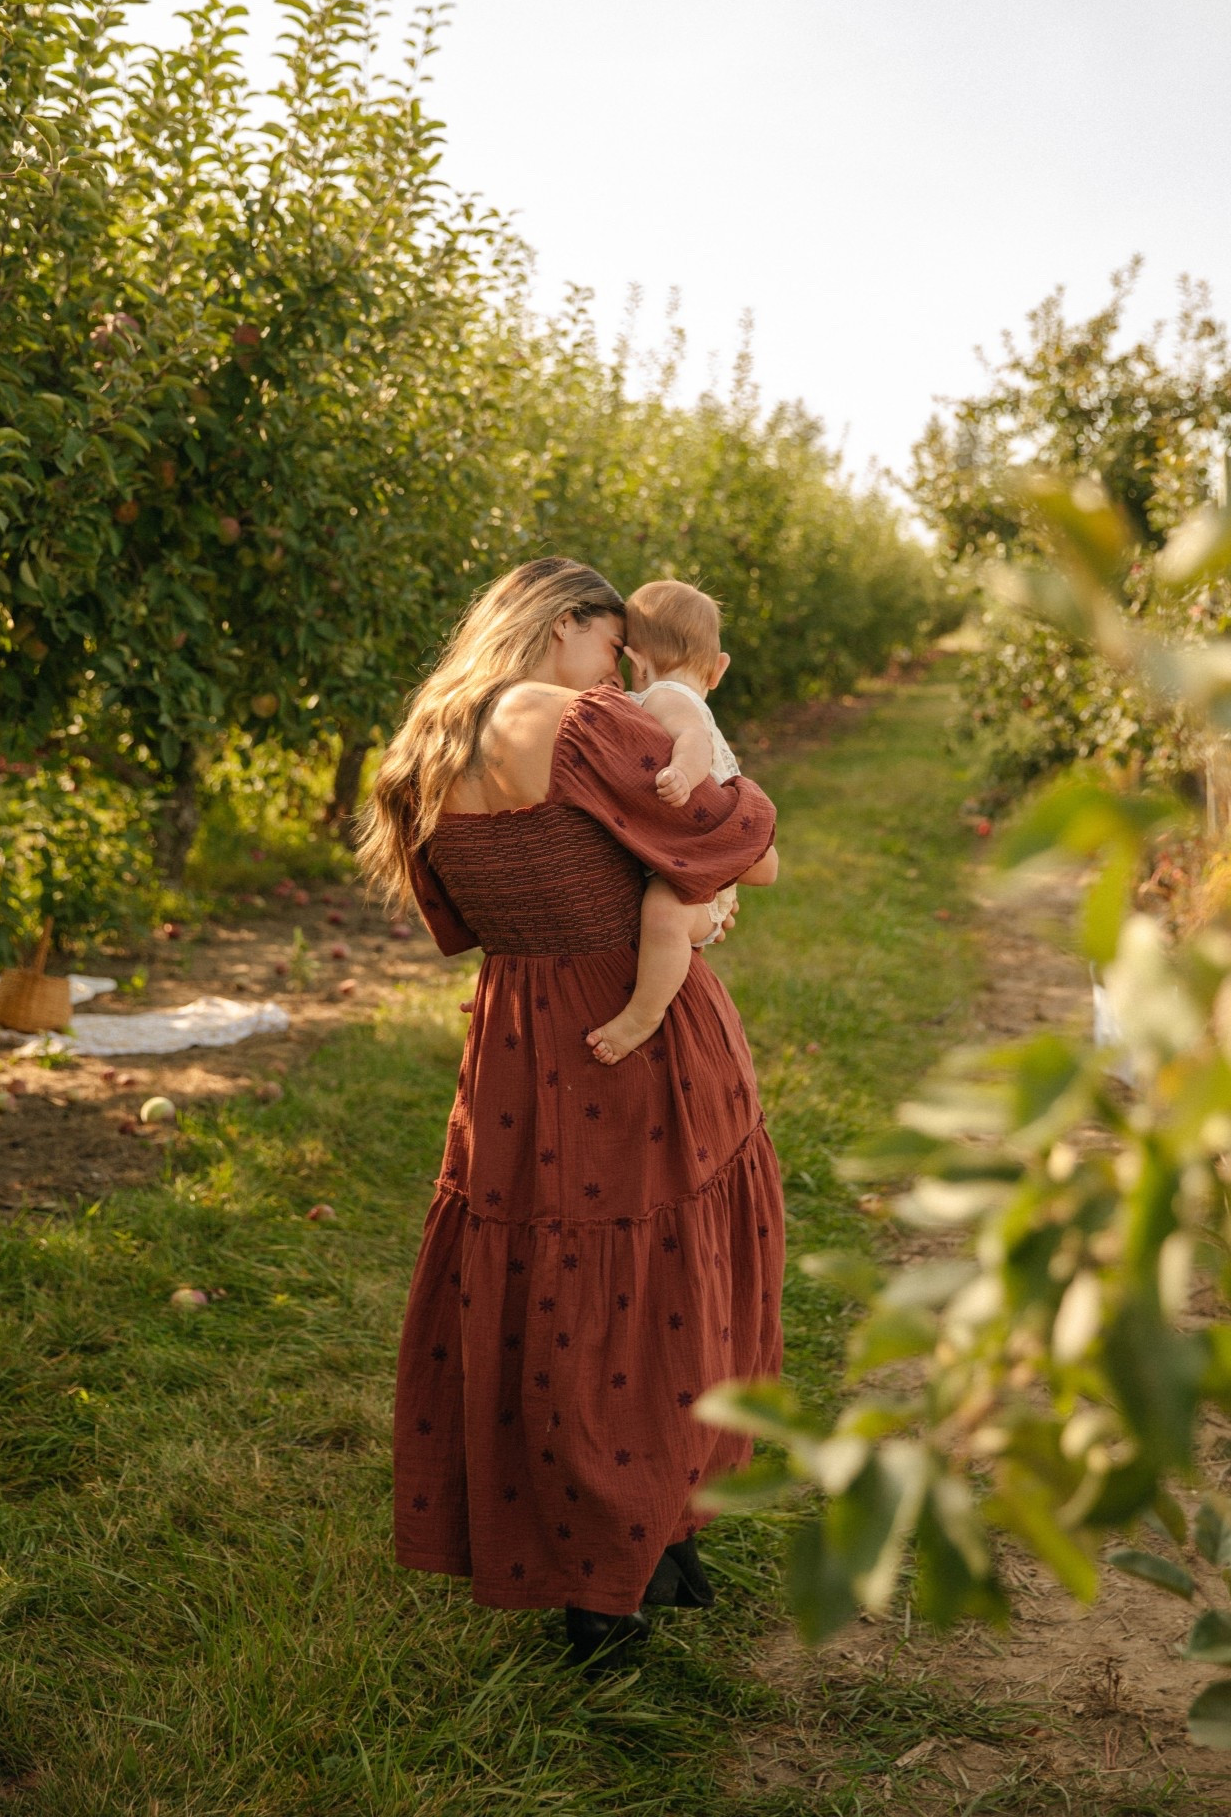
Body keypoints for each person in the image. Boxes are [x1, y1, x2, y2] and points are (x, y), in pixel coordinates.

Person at [357, 556, 784, 1671]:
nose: (624, 669)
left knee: (542, 1294)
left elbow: (458, 916)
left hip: (517, 1040)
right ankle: (637, 1547)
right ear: (563, 628)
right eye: (611, 642)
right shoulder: (581, 718)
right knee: (667, 1289)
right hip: (641, 1038)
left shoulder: (422, 747)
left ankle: (620, 1545)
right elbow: (748, 838)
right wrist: (705, 899)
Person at [587, 579, 741, 1067]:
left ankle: (643, 1015)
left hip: (696, 873)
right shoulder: (694, 698)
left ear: (636, 662)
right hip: (708, 866)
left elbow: (690, 737)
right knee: (666, 915)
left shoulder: (665, 695)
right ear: (719, 670)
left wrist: (682, 773)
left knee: (664, 913)